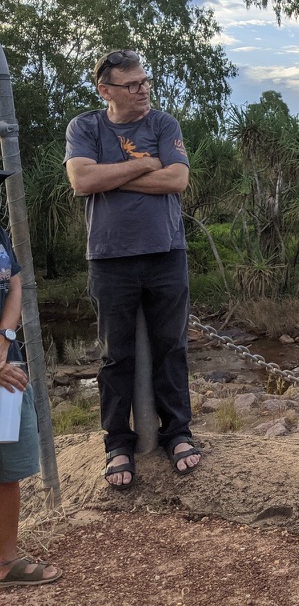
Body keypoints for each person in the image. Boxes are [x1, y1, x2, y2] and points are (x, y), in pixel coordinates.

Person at [64, 50, 201, 489]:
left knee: (171, 348)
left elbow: (176, 180)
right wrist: (144, 164)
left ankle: (177, 433)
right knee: (115, 355)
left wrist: (111, 175)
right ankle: (118, 444)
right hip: (109, 257)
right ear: (106, 90)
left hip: (166, 252)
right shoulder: (85, 127)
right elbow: (81, 181)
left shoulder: (163, 125)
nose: (143, 90)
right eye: (132, 84)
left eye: (145, 82)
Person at [0, 185, 61, 588]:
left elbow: (16, 282)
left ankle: (6, 563)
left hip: (6, 364)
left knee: (8, 468)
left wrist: (4, 341)